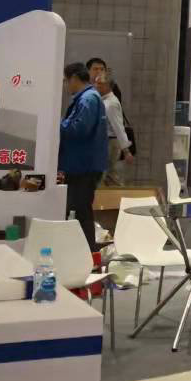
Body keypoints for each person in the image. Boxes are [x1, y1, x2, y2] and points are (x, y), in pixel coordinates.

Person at [59, 62, 108, 252]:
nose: (66, 86)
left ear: (73, 78)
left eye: (66, 81)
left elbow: (78, 129)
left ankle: (88, 254)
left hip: (84, 166)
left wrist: (56, 124)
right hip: (83, 164)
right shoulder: (88, 98)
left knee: (82, 211)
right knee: (80, 211)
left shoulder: (87, 100)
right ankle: (86, 253)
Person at [94, 71, 133, 184]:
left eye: (100, 83)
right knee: (108, 175)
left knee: (108, 174)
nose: (96, 86)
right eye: (96, 83)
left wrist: (126, 151)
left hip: (110, 142)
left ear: (108, 86)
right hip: (106, 141)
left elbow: (118, 127)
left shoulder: (111, 104)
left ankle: (118, 193)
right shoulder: (103, 100)